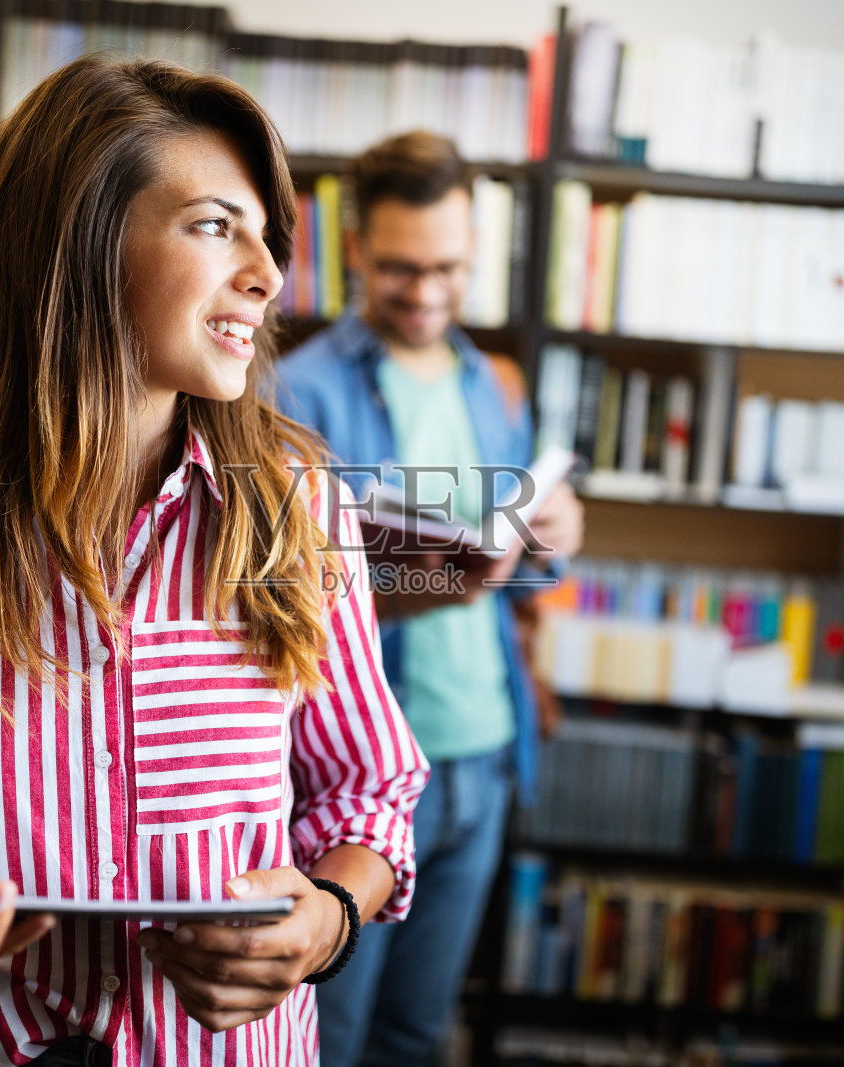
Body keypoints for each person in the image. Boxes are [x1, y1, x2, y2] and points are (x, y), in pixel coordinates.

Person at [0, 58, 428, 1067]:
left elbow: (367, 791)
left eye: (264, 234)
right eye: (215, 225)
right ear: (75, 242)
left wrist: (328, 918)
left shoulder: (299, 504)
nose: (266, 271)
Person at [275, 132, 584, 1065]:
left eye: (449, 267)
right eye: (403, 267)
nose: (427, 291)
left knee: (416, 1035)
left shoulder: (493, 385)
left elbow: (515, 572)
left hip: (483, 756)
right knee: (332, 1035)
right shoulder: (297, 389)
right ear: (357, 246)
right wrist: (424, 588)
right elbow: (283, 598)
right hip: (360, 776)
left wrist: (552, 540)